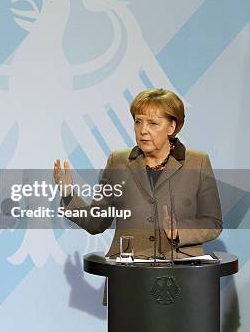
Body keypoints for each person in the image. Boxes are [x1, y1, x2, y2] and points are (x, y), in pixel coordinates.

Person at [54, 88, 222, 260]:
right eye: (138, 122)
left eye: (152, 123)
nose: (143, 130)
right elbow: (96, 222)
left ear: (171, 127)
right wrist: (68, 194)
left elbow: (213, 223)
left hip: (180, 268)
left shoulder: (197, 162)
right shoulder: (117, 161)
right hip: (128, 270)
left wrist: (179, 231)